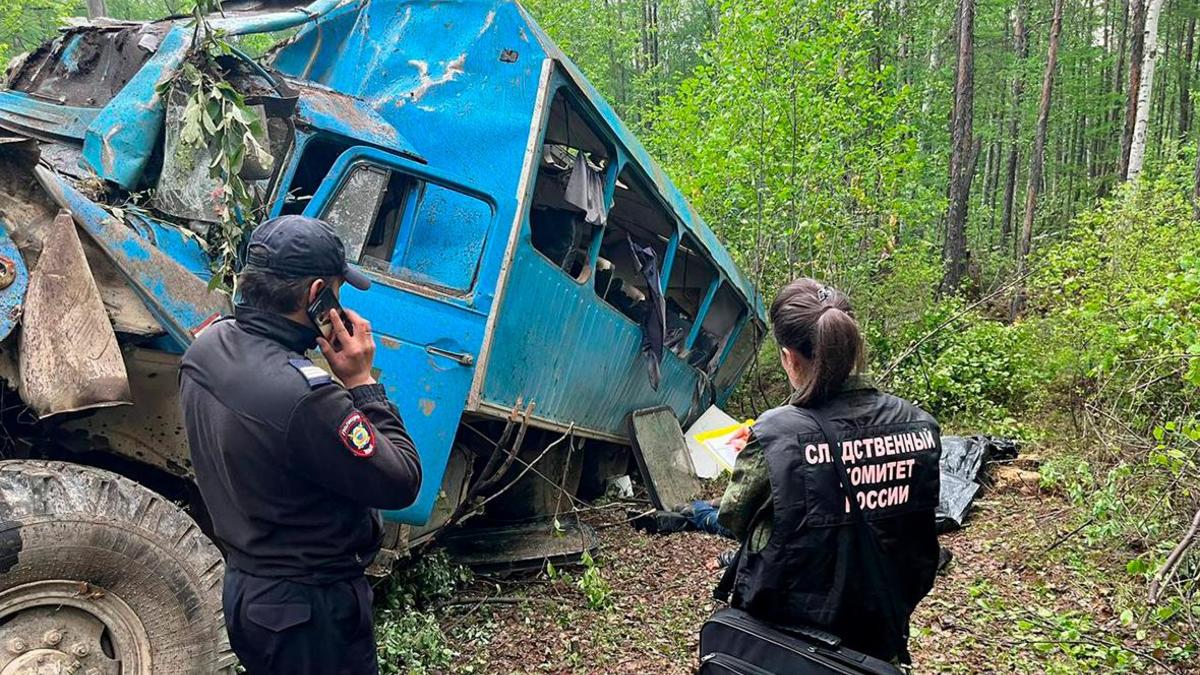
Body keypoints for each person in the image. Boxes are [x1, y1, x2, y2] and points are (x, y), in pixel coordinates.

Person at [180, 215, 423, 675]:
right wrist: (361, 381)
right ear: (317, 295)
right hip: (311, 612)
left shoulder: (207, 347)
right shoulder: (307, 398)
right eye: (337, 290)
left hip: (249, 592)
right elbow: (401, 481)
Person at [715, 278, 941, 665]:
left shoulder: (776, 434)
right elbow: (914, 528)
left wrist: (761, 451)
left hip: (786, 639)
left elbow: (736, 520)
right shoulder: (920, 425)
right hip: (877, 635)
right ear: (853, 344)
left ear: (789, 358)